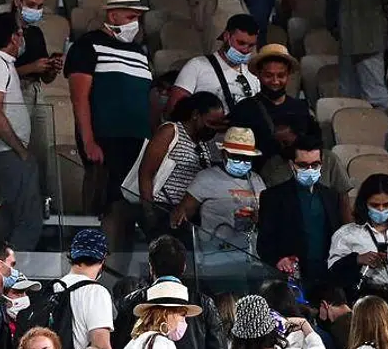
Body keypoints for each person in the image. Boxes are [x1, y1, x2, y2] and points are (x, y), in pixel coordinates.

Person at [65, 0, 154, 250]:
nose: (134, 23)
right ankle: (107, 264)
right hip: (107, 140)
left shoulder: (140, 52)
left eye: (137, 17)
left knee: (134, 208)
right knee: (112, 205)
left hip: (138, 142)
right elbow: (79, 98)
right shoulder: (87, 45)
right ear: (112, 15)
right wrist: (89, 141)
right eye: (130, 17)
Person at [0, 13, 43, 251]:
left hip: (7, 153)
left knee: (9, 222)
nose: (22, 37)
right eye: (19, 33)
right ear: (12, 38)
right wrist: (20, 150)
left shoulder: (2, 64)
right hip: (6, 153)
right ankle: (10, 277)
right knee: (29, 222)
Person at [171, 126, 267, 268]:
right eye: (236, 156)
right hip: (217, 256)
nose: (242, 161)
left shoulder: (256, 180)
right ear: (224, 155)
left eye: (246, 158)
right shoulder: (206, 178)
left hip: (251, 256)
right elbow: (180, 217)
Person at [257, 137, 344, 290]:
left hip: (327, 277)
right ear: (292, 165)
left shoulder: (331, 196)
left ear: (321, 164)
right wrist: (278, 259)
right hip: (291, 279)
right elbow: (264, 242)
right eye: (303, 165)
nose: (310, 169)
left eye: (315, 164)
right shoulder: (273, 197)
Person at [136, 93, 228, 234]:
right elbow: (146, 172)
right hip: (162, 208)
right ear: (195, 115)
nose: (214, 129)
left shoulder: (203, 143)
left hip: (186, 214)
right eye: (210, 123)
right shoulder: (171, 131)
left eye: (218, 125)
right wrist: (149, 210)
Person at [227, 44, 317, 177]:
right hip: (257, 178)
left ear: (288, 75)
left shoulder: (301, 108)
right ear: (258, 74)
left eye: (281, 75)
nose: (275, 81)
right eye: (268, 76)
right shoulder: (244, 109)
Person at [11, 0, 65, 184]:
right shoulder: (2, 27)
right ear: (18, 2)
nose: (36, 10)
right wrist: (32, 67)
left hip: (36, 91)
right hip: (13, 93)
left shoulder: (35, 33)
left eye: (40, 6)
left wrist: (51, 68)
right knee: (17, 147)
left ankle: (39, 194)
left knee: (42, 147)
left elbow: (46, 78)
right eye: (31, 5)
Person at [329, 173, 388, 302]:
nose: (381, 209)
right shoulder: (346, 234)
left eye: (386, 204)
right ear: (364, 203)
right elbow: (333, 274)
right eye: (374, 205)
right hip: (365, 299)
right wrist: (357, 259)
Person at [168, 14, 260, 114]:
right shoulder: (196, 66)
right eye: (241, 43)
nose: (245, 50)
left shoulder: (253, 74)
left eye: (251, 45)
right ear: (226, 36)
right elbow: (175, 109)